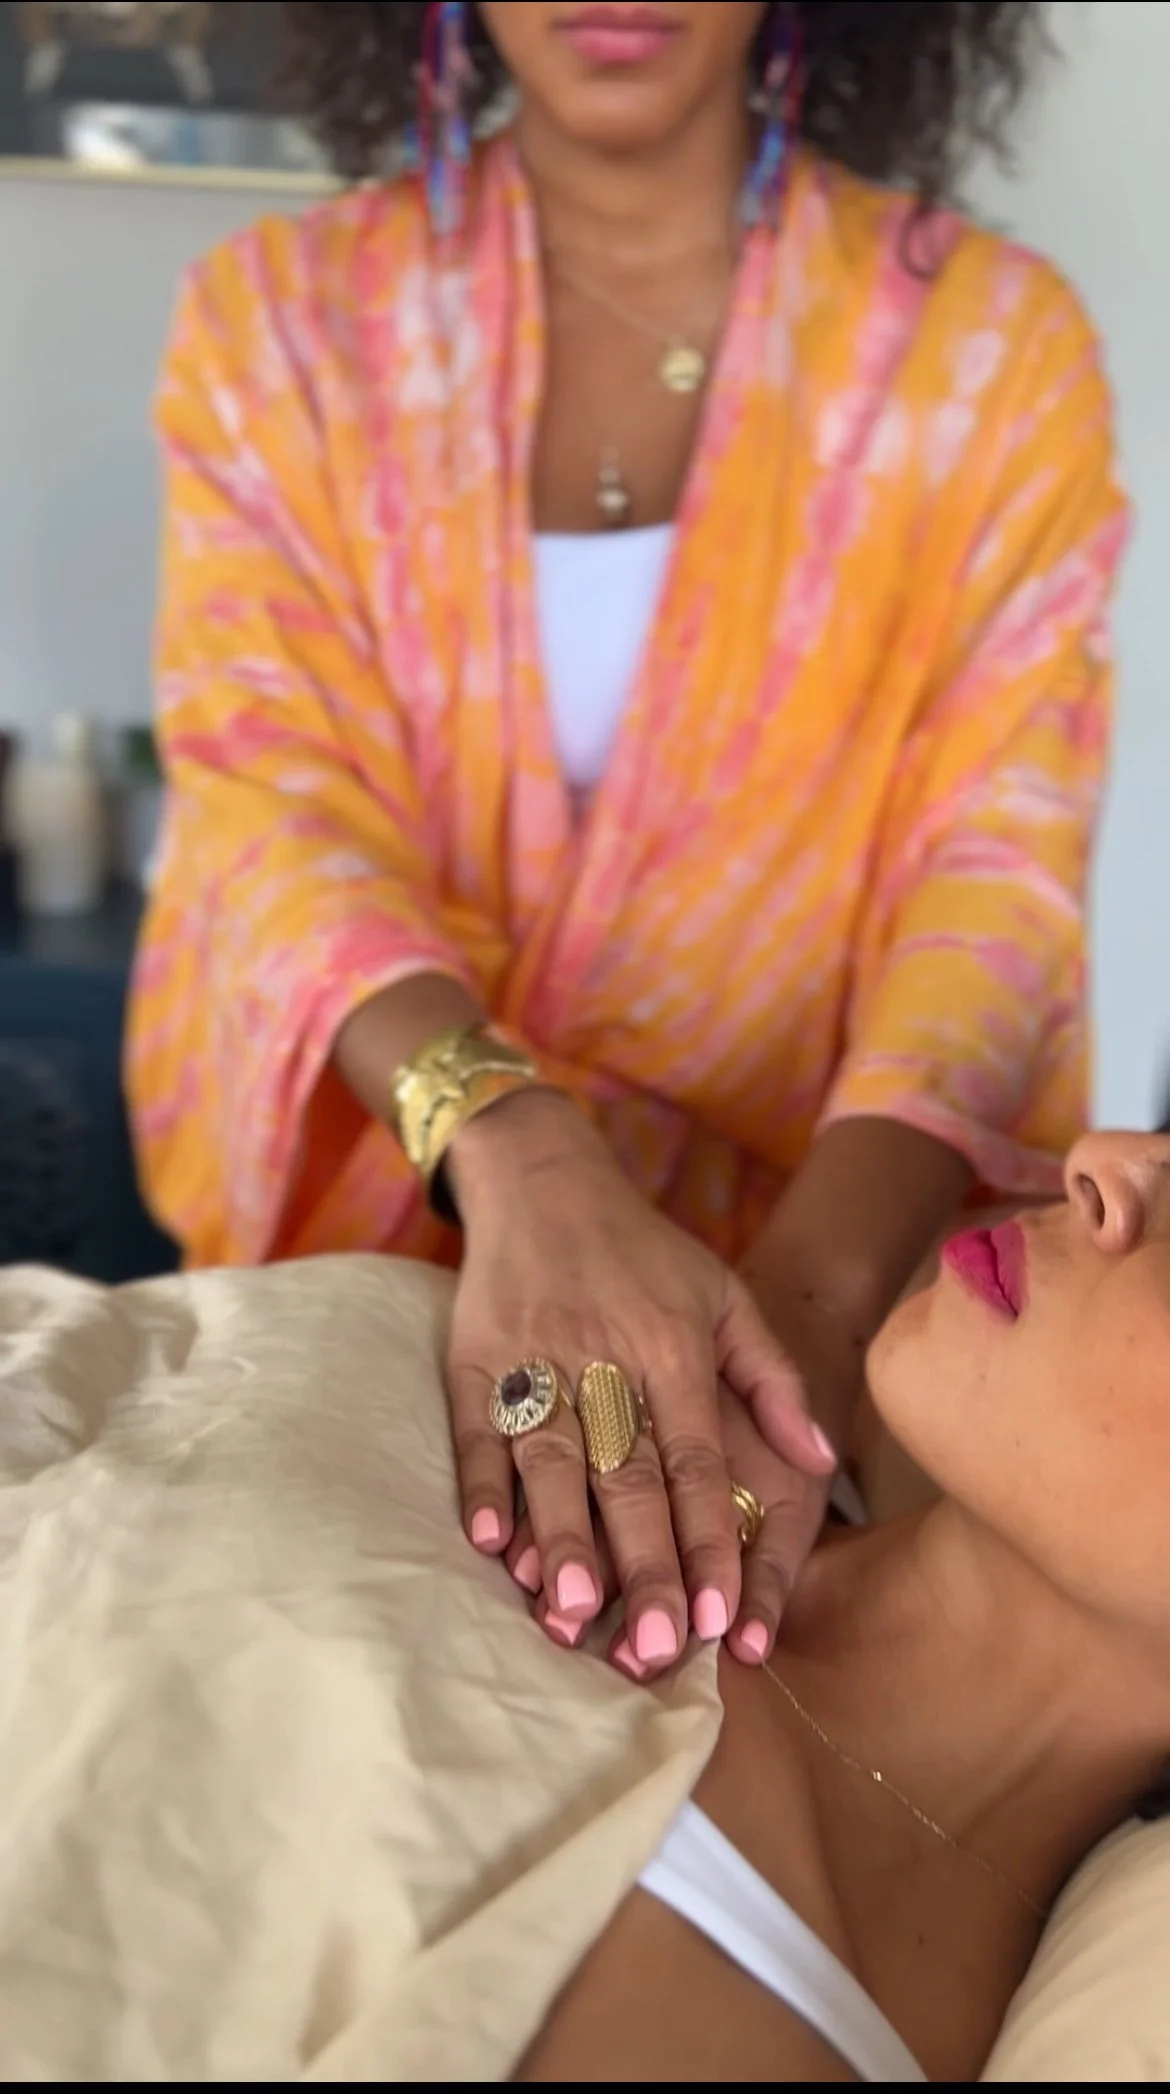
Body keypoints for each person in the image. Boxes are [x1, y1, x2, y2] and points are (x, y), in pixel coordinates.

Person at [126, 1, 1128, 1679]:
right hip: (381, 1251)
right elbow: (261, 798)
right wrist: (520, 1155)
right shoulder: (280, 326)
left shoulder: (990, 351)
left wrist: (778, 1360)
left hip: (819, 1278)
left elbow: (991, 892)